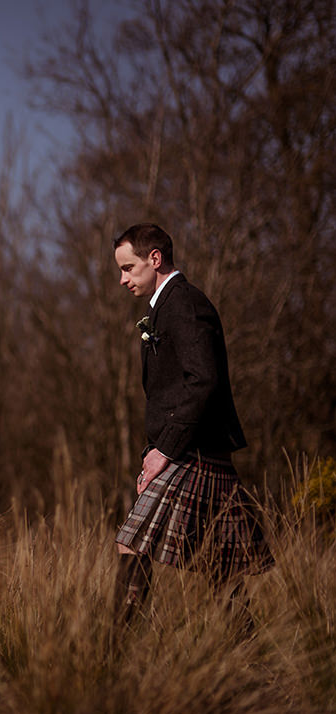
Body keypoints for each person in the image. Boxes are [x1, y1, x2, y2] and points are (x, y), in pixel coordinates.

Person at [111, 223, 273, 629]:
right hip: (190, 449)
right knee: (218, 565)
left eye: (129, 268)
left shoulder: (185, 304)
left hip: (192, 450)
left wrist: (164, 451)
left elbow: (204, 380)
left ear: (155, 259)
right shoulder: (166, 307)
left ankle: (110, 653)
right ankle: (249, 653)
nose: (123, 279)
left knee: (132, 544)